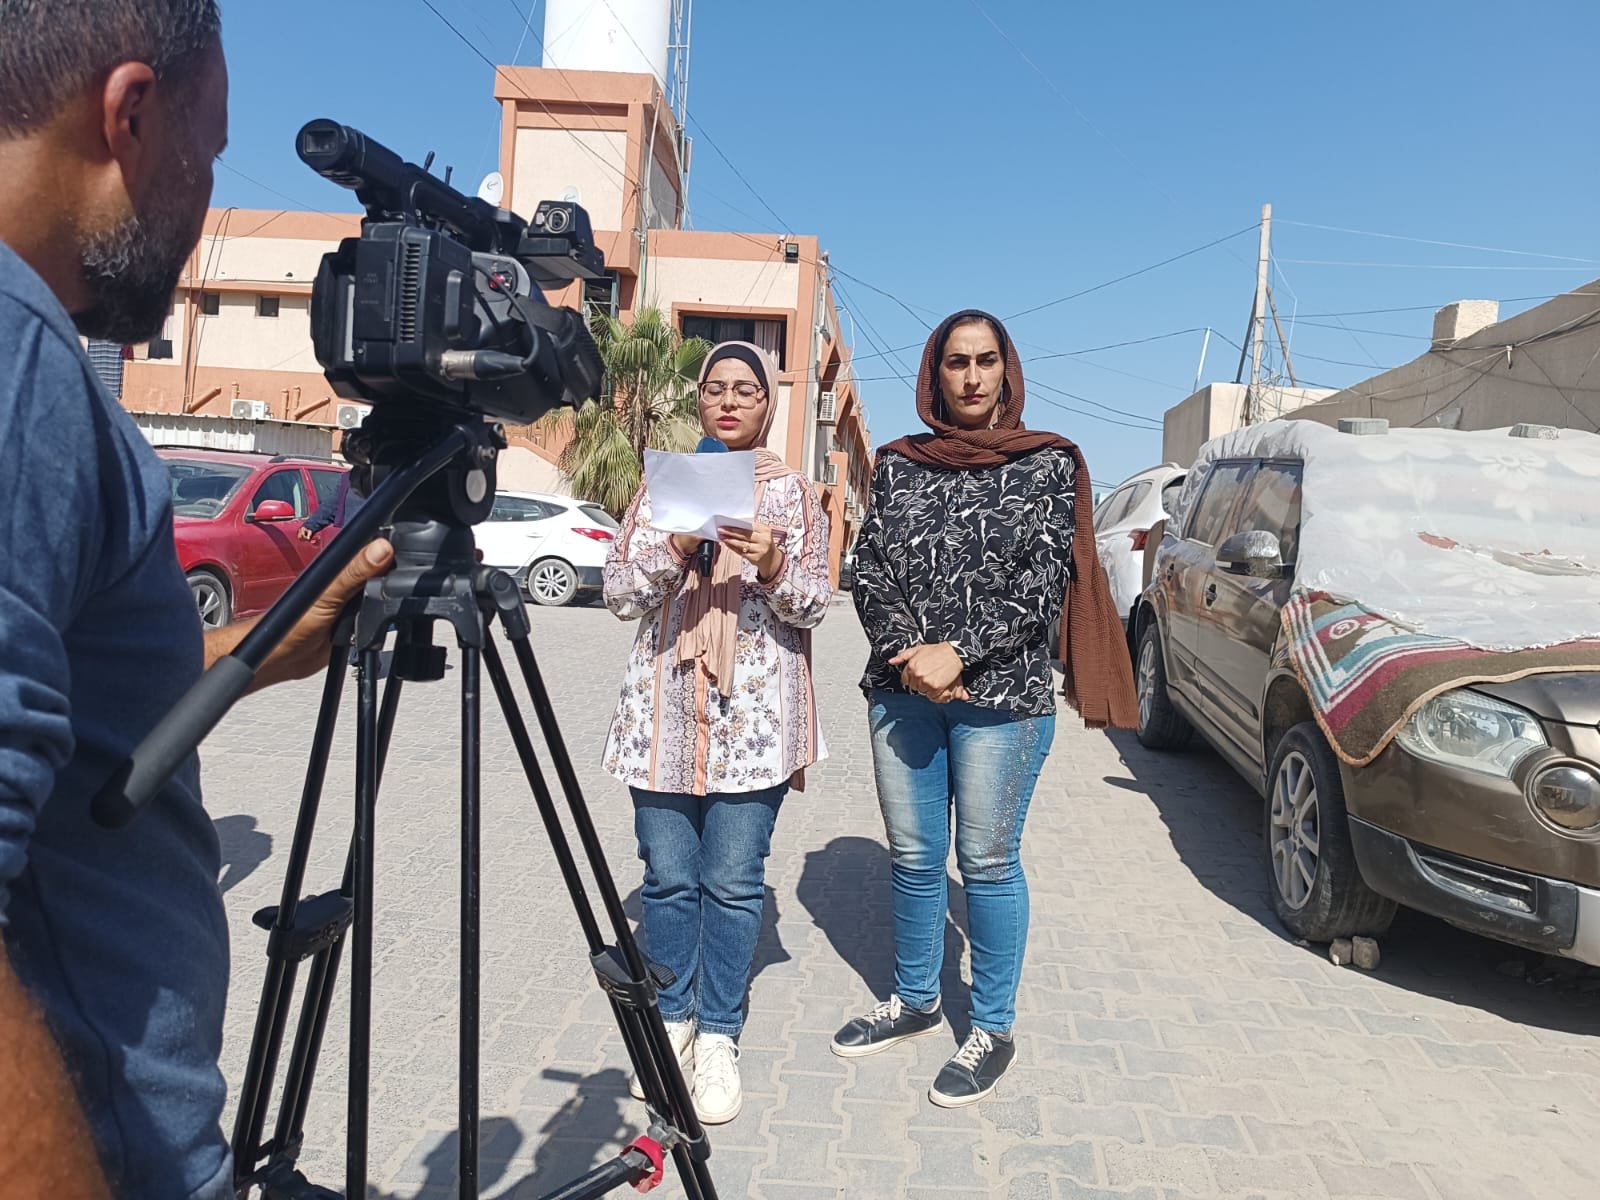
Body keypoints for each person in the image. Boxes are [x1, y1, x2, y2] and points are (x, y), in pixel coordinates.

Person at [0, 5, 394, 1195]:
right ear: (128, 116)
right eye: (210, 151)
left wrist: (258, 648)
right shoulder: (19, 364)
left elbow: (78, 723)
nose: (208, 196)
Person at [831, 309, 1135, 1107]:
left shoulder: (1047, 463)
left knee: (988, 862)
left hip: (1003, 699)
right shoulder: (898, 464)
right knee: (913, 857)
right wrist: (913, 655)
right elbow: (870, 567)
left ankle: (993, 1027)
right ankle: (916, 999)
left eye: (985, 361)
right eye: (957, 362)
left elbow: (1043, 581)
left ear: (1007, 372)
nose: (971, 377)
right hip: (904, 691)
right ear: (935, 374)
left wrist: (958, 654)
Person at [602, 341, 832, 1124]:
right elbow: (619, 593)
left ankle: (721, 1035)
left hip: (753, 725)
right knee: (668, 878)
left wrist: (772, 565)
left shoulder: (795, 496)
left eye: (746, 390)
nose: (729, 401)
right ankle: (673, 1019)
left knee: (733, 884)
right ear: (698, 401)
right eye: (716, 389)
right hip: (663, 716)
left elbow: (814, 605)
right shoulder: (661, 487)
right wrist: (673, 547)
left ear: (768, 404)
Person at [299, 466, 368, 542]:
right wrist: (310, 525)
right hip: (351, 540)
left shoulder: (377, 480)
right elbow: (331, 506)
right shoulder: (350, 477)